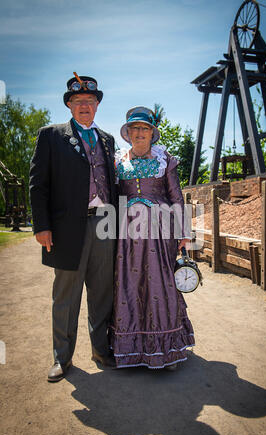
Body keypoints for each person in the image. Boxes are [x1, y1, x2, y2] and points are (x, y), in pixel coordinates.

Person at [30, 73, 117, 382]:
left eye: (90, 101)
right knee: (65, 296)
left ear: (97, 106)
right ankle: (61, 358)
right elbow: (38, 185)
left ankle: (101, 350)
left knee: (103, 293)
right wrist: (42, 226)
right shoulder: (51, 135)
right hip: (67, 229)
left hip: (105, 224)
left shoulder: (107, 140)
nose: (85, 106)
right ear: (69, 105)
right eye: (78, 101)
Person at [109, 106, 195, 370]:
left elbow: (176, 196)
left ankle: (166, 349)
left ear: (152, 133)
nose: (139, 133)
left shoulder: (165, 160)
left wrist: (184, 232)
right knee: (129, 285)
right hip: (127, 234)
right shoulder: (117, 160)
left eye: (144, 128)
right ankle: (131, 349)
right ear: (127, 133)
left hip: (159, 231)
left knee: (160, 285)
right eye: (134, 128)